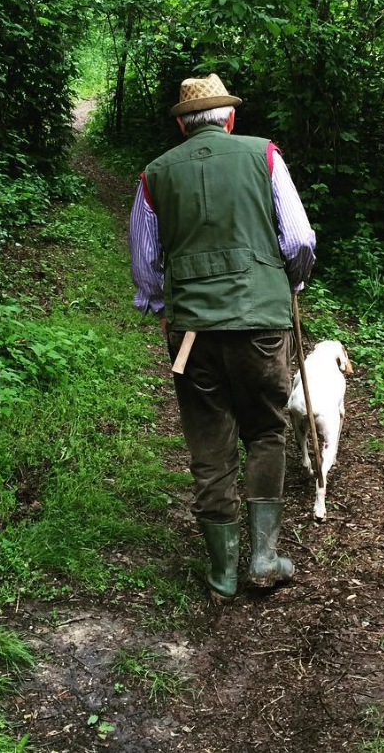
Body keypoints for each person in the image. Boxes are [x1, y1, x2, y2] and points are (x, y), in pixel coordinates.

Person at [129, 73, 316, 602]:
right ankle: (264, 558)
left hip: (193, 332)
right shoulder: (265, 156)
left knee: (209, 443)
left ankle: (221, 573)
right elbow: (299, 239)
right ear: (229, 118)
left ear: (183, 125)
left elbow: (144, 260)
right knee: (266, 430)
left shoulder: (154, 175)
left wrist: (160, 306)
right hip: (261, 324)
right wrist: (289, 280)